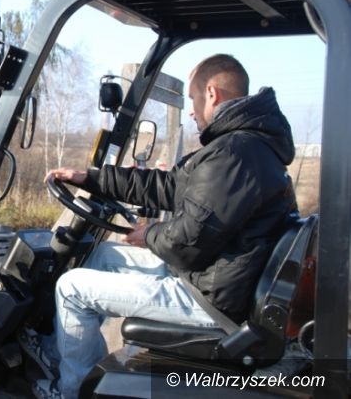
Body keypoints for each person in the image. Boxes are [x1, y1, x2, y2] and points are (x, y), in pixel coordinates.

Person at [23, 54, 298, 399]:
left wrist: (148, 235)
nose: (193, 112)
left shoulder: (235, 154)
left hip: (212, 302)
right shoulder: (240, 146)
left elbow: (188, 243)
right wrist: (91, 179)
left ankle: (71, 390)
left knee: (71, 288)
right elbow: (167, 186)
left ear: (211, 94)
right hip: (217, 279)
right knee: (106, 254)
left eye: (193, 100)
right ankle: (56, 355)